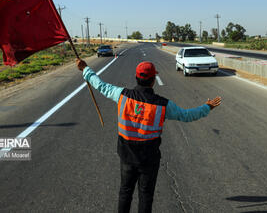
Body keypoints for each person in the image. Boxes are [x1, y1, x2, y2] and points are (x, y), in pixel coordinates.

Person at [76, 59, 221, 213]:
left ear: (136, 78)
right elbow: (186, 115)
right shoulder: (163, 105)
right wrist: (207, 107)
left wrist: (85, 69)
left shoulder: (121, 95)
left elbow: (101, 86)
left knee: (125, 192)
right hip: (149, 160)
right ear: (153, 81)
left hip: (127, 157)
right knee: (146, 196)